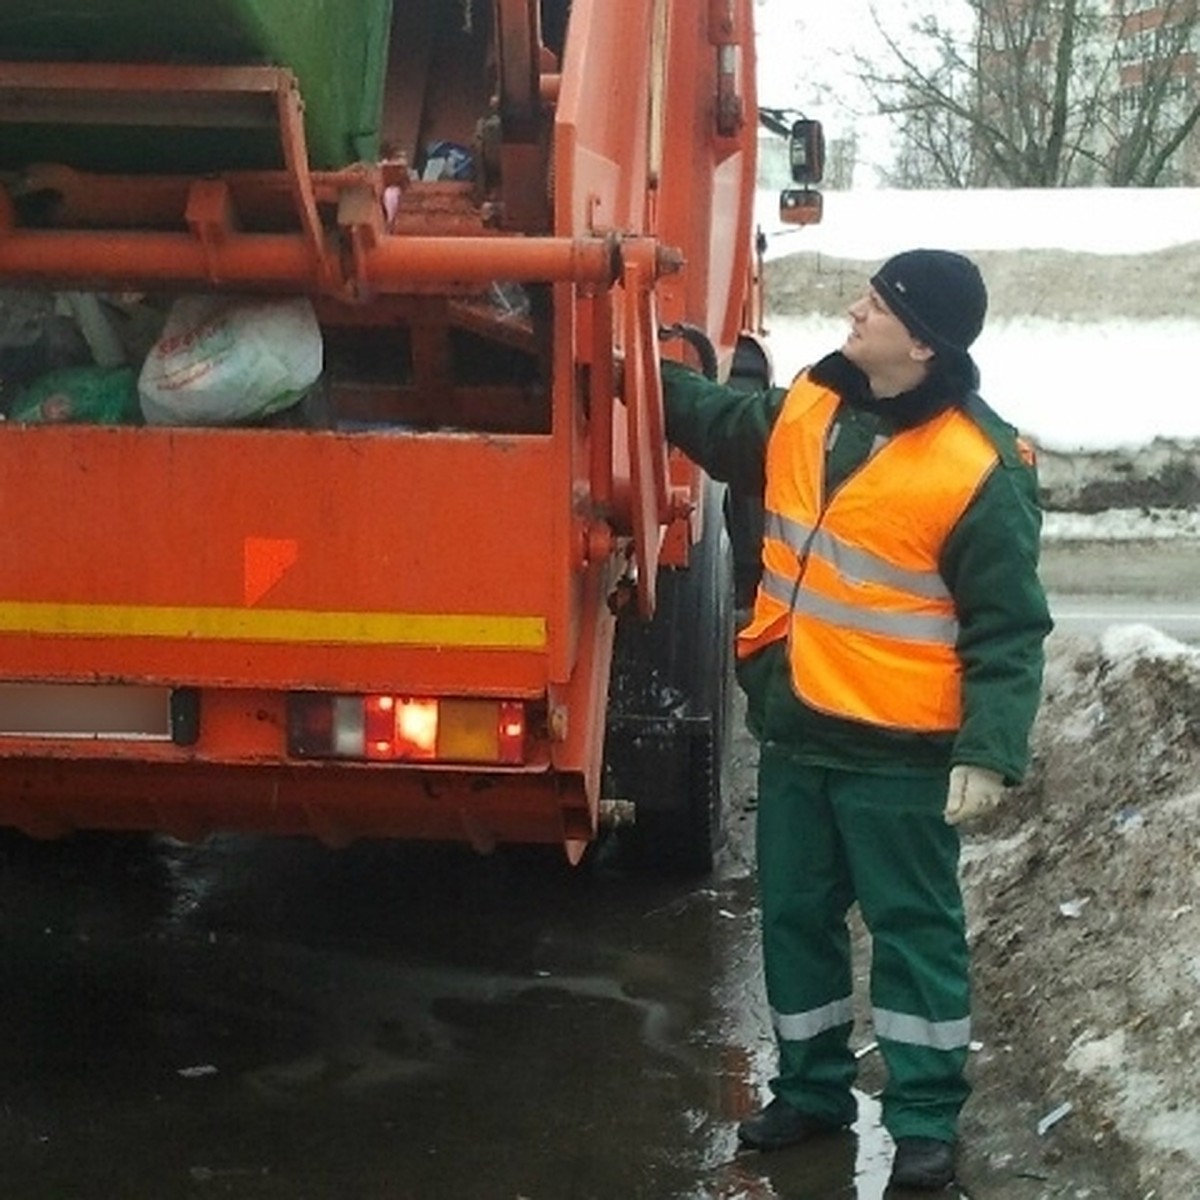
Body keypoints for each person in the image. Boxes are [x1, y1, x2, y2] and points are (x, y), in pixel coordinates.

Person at [661, 249, 1052, 1191]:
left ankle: (922, 1120)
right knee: (796, 918)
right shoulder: (813, 408)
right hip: (798, 729)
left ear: (921, 342)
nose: (852, 311)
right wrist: (636, 365)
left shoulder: (980, 469)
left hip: (898, 753)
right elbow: (721, 423)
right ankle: (812, 1089)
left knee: (912, 931)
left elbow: (1009, 628)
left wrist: (989, 752)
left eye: (872, 306)